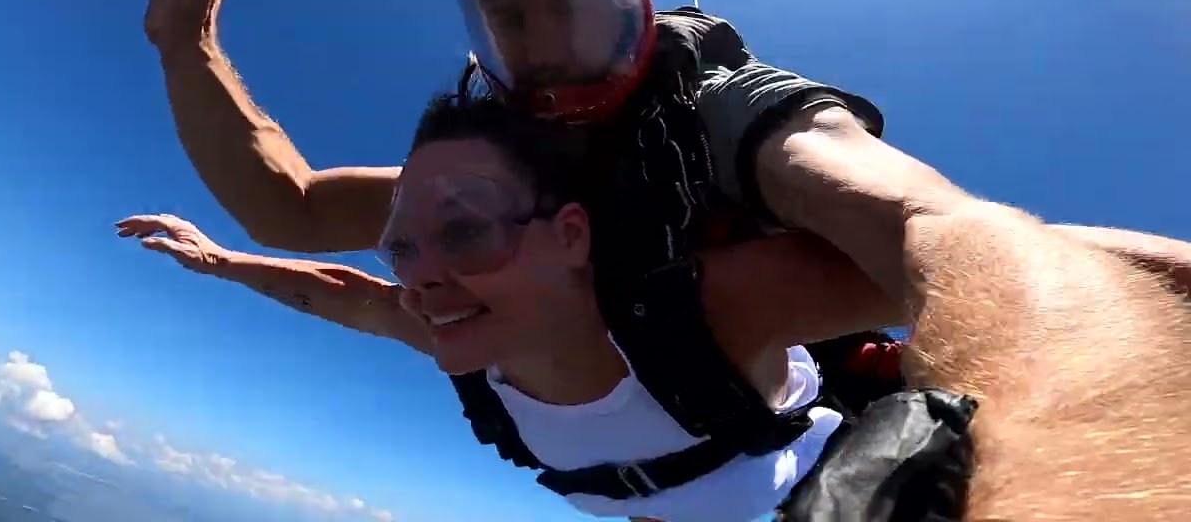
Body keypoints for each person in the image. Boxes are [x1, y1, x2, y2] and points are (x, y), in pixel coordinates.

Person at [138, 0, 1191, 518]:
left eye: (571, 4)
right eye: (513, 20)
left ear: (634, 5)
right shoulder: (475, 245)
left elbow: (948, 236)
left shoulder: (736, 139)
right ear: (482, 43)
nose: (546, 43)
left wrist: (1052, 458)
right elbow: (298, 226)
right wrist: (187, 50)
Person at [119, 92, 904, 522]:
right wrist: (221, 261)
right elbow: (341, 292)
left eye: (464, 232)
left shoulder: (708, 312)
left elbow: (942, 262)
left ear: (570, 236)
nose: (421, 278)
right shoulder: (475, 347)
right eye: (404, 247)